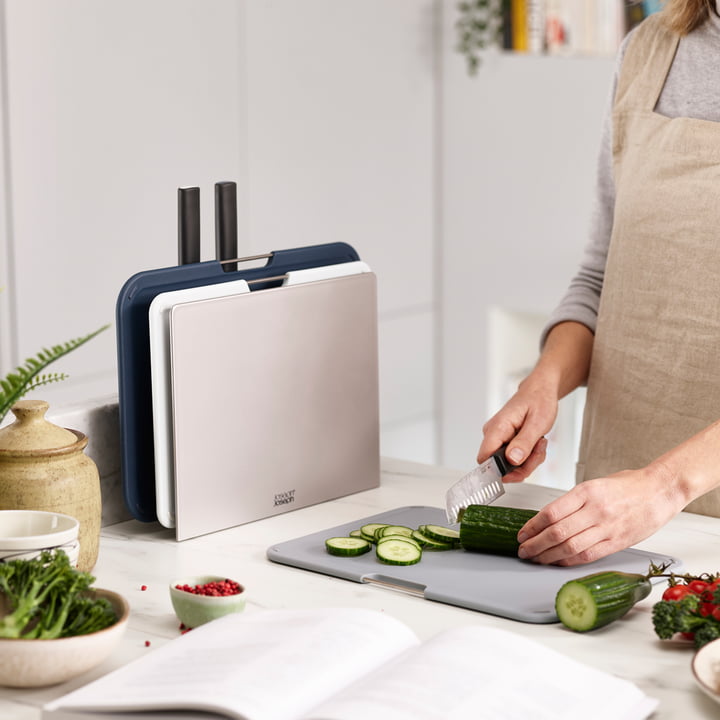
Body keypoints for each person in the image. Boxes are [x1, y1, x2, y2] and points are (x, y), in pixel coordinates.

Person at [477, 0, 720, 566]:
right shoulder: (649, 49)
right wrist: (544, 383)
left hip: (659, 498)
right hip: (612, 513)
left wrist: (664, 485)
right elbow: (602, 273)